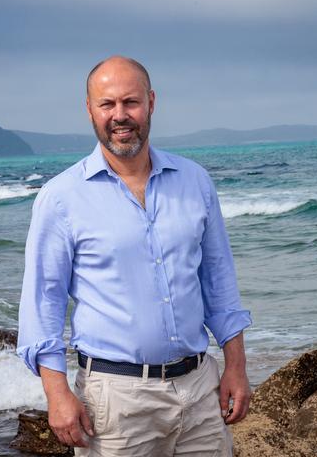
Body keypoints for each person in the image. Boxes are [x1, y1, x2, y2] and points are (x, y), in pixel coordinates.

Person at [17, 55, 252, 456]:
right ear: (89, 109)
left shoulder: (194, 181)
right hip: (117, 403)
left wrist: (236, 366)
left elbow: (218, 281)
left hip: (199, 390)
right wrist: (57, 394)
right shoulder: (61, 198)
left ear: (152, 103)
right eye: (107, 104)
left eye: (131, 102)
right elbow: (43, 303)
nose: (120, 115)